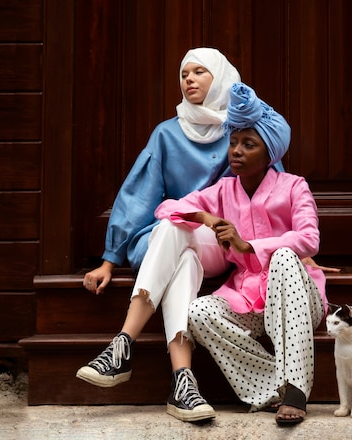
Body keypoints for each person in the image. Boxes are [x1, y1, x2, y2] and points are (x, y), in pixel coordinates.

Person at [169, 82, 327, 425]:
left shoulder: (294, 186)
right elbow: (170, 209)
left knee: (284, 256)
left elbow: (309, 239)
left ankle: (297, 390)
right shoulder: (223, 189)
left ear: (269, 154)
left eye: (248, 145)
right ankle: (274, 386)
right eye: (234, 142)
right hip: (248, 301)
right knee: (197, 312)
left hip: (298, 298)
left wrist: (249, 246)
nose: (236, 151)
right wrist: (208, 217)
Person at [82, 47, 242, 295]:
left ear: (221, 77)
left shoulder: (243, 132)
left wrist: (295, 251)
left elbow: (272, 190)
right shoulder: (166, 134)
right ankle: (177, 334)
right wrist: (109, 262)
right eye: (184, 74)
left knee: (182, 253)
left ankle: (131, 332)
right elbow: (138, 197)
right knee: (167, 247)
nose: (189, 79)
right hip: (176, 229)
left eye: (199, 71)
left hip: (224, 238)